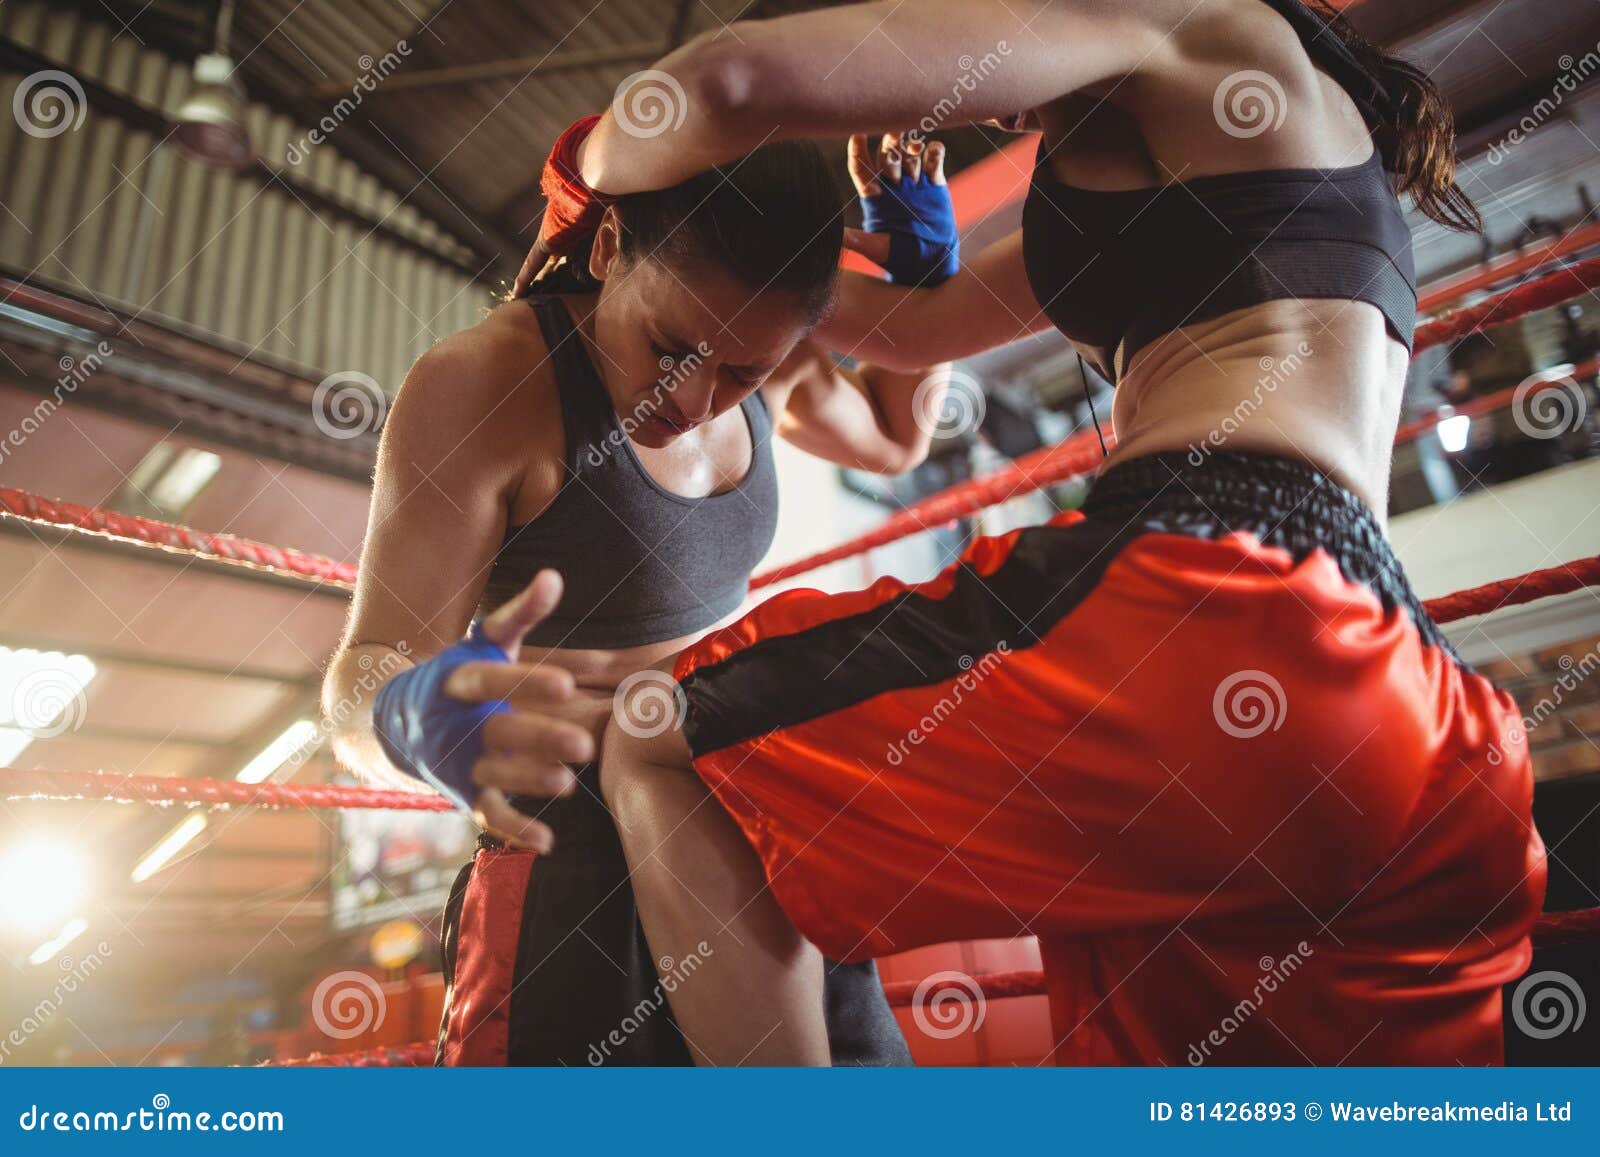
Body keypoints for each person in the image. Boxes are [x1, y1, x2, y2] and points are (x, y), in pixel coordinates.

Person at [527, 0, 1545, 1065]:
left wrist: (590, 182)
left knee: (658, 737)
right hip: (1400, 701)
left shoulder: (1194, 21)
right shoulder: (1229, 143)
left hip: (1214, 601)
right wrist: (754, 258)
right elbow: (915, 328)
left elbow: (715, 87)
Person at [324, 132, 960, 1065]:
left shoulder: (760, 342)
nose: (696, 396)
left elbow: (897, 437)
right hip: (573, 848)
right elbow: (355, 683)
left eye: (741, 373)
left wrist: (925, 269)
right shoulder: (488, 383)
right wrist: (413, 719)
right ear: (611, 245)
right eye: (671, 347)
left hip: (753, 818)